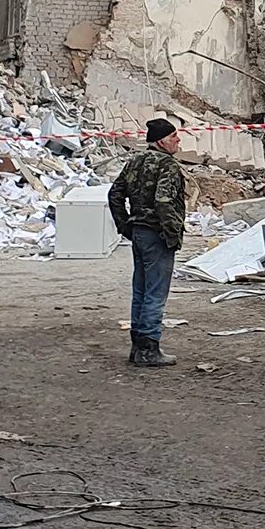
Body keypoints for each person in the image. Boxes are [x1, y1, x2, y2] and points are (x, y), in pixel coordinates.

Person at [107, 117, 186, 368]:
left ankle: (137, 346)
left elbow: (115, 194)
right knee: (155, 292)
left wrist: (125, 225)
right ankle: (149, 348)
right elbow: (164, 200)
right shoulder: (168, 165)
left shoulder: (134, 161)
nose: (178, 141)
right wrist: (172, 231)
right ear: (162, 141)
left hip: (139, 232)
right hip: (157, 234)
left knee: (140, 290)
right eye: (174, 137)